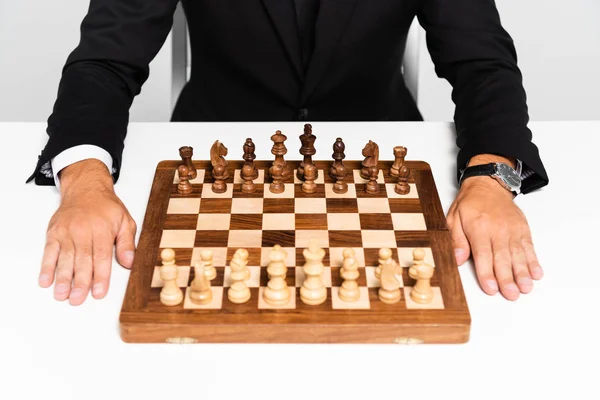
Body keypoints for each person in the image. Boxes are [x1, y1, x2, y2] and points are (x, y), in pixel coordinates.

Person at [27, 0, 549, 306]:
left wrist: (491, 176)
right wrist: (85, 180)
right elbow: (103, 60)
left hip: (376, 158)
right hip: (218, 159)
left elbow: (483, 64)